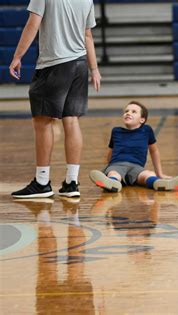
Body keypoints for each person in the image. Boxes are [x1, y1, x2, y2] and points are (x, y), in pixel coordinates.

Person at [10, 0, 101, 199]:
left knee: (42, 121)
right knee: (71, 119)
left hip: (54, 64)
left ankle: (42, 182)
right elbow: (88, 36)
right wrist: (94, 69)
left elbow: (33, 24)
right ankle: (71, 182)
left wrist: (17, 56)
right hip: (79, 64)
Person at [89, 101, 178, 192]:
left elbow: (154, 151)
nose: (128, 113)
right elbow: (110, 152)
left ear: (142, 119)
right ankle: (111, 183)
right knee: (114, 173)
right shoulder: (116, 131)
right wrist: (108, 168)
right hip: (117, 165)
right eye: (126, 111)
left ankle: (160, 183)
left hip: (137, 167)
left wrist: (159, 173)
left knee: (148, 175)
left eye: (133, 111)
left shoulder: (146, 130)